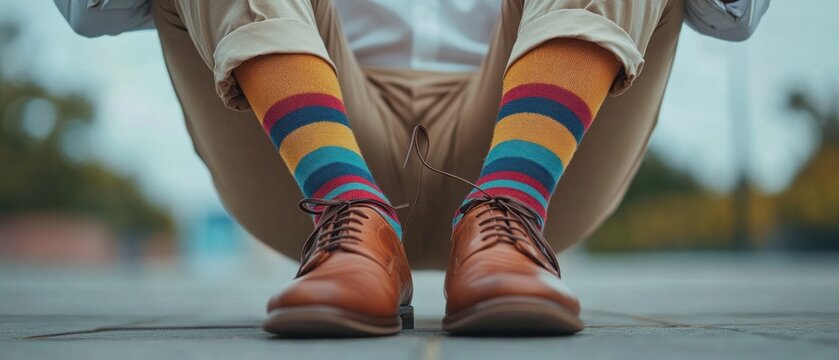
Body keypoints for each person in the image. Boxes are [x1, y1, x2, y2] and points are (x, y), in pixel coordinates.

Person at [53, 0, 768, 337]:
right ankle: (350, 212)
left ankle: (506, 211)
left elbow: (731, 13)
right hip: (305, 146)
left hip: (533, 135)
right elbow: (90, 10)